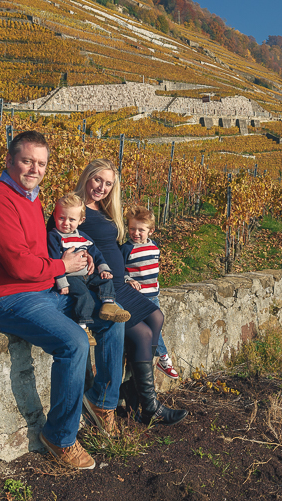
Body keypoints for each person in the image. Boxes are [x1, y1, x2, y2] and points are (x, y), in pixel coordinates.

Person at [0, 131, 125, 470]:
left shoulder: (29, 198)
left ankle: (102, 401)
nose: (34, 169)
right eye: (27, 161)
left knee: (110, 317)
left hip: (40, 290)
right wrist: (63, 266)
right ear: (10, 161)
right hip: (7, 298)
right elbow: (17, 264)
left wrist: (72, 269)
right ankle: (60, 437)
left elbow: (39, 254)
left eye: (41, 163)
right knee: (73, 342)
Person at [76, 159, 187, 426]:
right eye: (97, 180)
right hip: (100, 286)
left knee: (156, 316)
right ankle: (148, 406)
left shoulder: (104, 208)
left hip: (120, 282)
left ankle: (134, 392)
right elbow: (57, 238)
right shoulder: (75, 207)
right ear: (86, 177)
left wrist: (125, 275)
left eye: (108, 183)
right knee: (144, 333)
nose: (102, 187)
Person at [46, 191, 130, 328]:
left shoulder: (83, 237)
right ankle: (83, 325)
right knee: (84, 296)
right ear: (55, 216)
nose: (66, 223)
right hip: (70, 277)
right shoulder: (54, 236)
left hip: (87, 275)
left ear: (81, 220)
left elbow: (96, 253)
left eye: (72, 220)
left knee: (106, 280)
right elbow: (54, 258)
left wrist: (103, 268)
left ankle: (108, 304)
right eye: (61, 218)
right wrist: (62, 282)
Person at [121, 205, 179, 379]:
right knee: (151, 331)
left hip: (153, 294)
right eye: (132, 229)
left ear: (151, 230)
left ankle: (151, 361)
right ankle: (163, 358)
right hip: (137, 298)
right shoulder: (126, 249)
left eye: (141, 230)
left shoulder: (154, 246)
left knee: (156, 328)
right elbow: (119, 270)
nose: (136, 233)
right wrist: (128, 279)